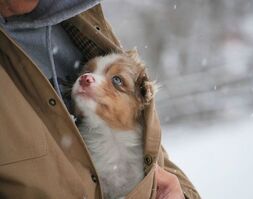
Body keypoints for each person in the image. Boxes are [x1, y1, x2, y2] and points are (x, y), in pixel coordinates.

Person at [0, 1, 200, 198]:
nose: (87, 78)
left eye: (115, 79)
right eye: (88, 71)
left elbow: (153, 153)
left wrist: (182, 194)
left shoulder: (82, 13)